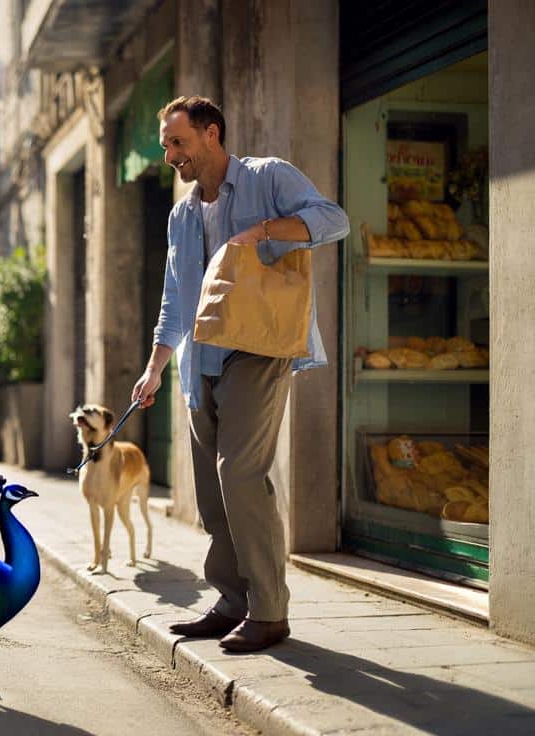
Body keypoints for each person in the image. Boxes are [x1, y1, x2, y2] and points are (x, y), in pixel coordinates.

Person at [131, 96, 349, 653]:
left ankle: (270, 612)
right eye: (166, 146)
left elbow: (334, 220)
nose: (170, 155)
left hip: (258, 349)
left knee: (241, 474)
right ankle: (231, 602)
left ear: (212, 133)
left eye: (178, 142)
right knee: (211, 489)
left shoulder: (266, 177)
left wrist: (264, 231)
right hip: (198, 360)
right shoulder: (182, 215)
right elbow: (174, 298)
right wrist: (154, 368)